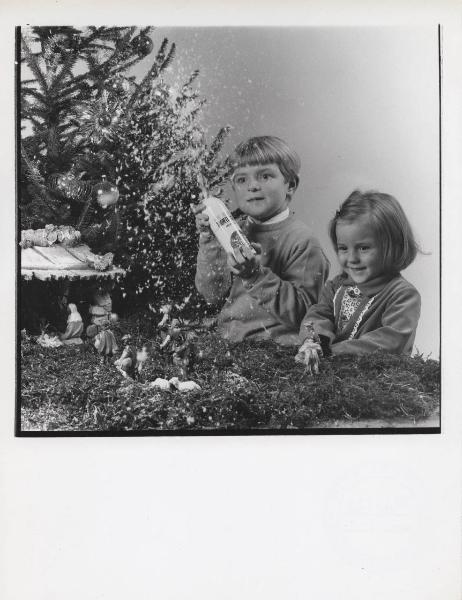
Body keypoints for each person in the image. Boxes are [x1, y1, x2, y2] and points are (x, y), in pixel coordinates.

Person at [192, 135, 329, 345]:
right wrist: (209, 240)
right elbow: (212, 295)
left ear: (290, 185)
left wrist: (254, 276)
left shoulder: (303, 242)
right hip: (228, 341)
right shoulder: (233, 231)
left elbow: (303, 314)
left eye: (265, 176)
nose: (252, 186)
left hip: (273, 350)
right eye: (242, 179)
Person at [297, 190, 421, 359]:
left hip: (380, 378)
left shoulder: (403, 295)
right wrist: (312, 342)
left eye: (364, 248)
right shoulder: (336, 286)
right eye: (343, 248)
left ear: (392, 246)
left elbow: (389, 341)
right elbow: (317, 316)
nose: (352, 259)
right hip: (336, 372)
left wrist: (330, 351)